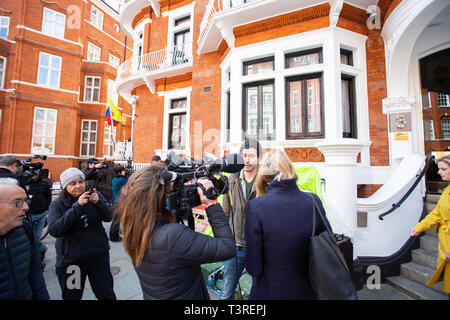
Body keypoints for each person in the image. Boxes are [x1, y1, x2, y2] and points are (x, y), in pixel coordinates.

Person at [116, 162, 235, 300]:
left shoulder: (133, 226)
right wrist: (211, 204)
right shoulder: (172, 236)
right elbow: (227, 247)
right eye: (171, 190)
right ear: (159, 198)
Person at [244, 148, 329, 299]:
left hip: (270, 291)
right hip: (309, 290)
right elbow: (327, 244)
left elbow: (253, 268)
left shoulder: (256, 206)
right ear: (290, 169)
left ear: (264, 175)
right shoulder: (313, 201)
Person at [48, 168, 116, 300]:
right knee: (72, 295)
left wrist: (99, 203)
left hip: (98, 257)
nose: (78, 186)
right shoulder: (58, 204)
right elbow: (55, 230)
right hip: (72, 261)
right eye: (73, 183)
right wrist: (77, 207)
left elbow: (109, 216)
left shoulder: (95, 196)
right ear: (64, 186)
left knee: (106, 294)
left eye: (81, 182)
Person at [220, 139, 262, 300]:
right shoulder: (231, 180)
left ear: (259, 158)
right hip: (235, 247)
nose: (247, 159)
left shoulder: (265, 181)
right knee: (226, 292)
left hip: (258, 247)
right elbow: (225, 212)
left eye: (251, 155)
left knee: (259, 293)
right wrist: (225, 240)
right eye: (244, 155)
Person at [0, 178, 50, 300]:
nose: (26, 207)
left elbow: (36, 276)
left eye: (25, 201)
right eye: (17, 202)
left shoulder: (25, 229)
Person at [411, 155, 450, 299]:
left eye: (443, 169)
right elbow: (437, 213)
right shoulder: (447, 191)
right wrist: (420, 227)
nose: (439, 172)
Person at [27, 170, 52, 260]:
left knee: (36, 237)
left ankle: (37, 255)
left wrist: (47, 209)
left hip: (41, 213)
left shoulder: (44, 183)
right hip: (29, 214)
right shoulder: (26, 182)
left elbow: (48, 197)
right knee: (31, 237)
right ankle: (41, 249)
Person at [109, 165, 127, 242]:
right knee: (117, 220)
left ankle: (113, 236)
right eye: (123, 170)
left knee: (115, 219)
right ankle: (114, 237)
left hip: (114, 200)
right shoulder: (121, 179)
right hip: (119, 201)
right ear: (119, 172)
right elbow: (130, 182)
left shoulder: (114, 179)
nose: (125, 172)